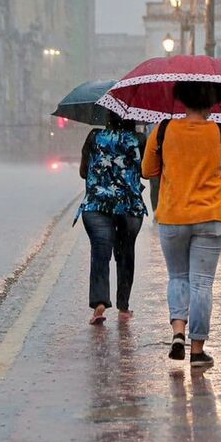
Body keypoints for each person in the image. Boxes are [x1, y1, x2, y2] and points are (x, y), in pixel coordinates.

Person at [141, 81, 221, 368]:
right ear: (213, 102)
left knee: (178, 277)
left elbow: (147, 171)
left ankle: (177, 332)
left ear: (182, 100)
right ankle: (197, 350)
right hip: (210, 216)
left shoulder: (163, 129)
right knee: (202, 283)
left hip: (172, 216)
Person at [77, 112, 147, 325]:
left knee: (100, 252)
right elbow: (146, 171)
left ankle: (99, 304)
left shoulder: (94, 136)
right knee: (125, 254)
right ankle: (124, 307)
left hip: (96, 205)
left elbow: (83, 172)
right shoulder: (140, 140)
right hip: (129, 206)